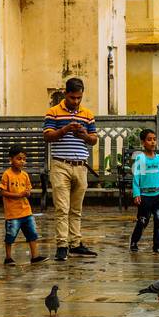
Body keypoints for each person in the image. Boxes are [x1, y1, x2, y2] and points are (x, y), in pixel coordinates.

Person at [43, 78, 97, 262]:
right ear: (65, 94)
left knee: (76, 209)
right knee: (62, 208)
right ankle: (62, 245)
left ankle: (75, 243)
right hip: (60, 165)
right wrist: (65, 129)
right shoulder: (53, 112)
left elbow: (93, 139)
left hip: (80, 165)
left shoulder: (87, 114)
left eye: (79, 98)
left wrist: (83, 134)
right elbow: (48, 137)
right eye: (73, 97)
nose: (76, 101)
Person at [0, 146, 46, 266]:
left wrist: (27, 193)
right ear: (11, 159)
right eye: (18, 158)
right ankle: (8, 257)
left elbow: (28, 188)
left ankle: (35, 256)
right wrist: (17, 195)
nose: (22, 161)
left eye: (24, 159)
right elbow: (3, 192)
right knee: (10, 236)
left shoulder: (25, 175)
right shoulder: (7, 174)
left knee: (32, 234)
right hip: (13, 213)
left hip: (26, 211)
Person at [129, 128, 159, 253]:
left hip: (158, 195)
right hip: (145, 195)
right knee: (143, 221)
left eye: (154, 139)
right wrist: (136, 193)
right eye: (149, 140)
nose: (152, 142)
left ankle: (157, 246)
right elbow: (136, 177)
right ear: (143, 142)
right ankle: (134, 241)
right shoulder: (140, 158)